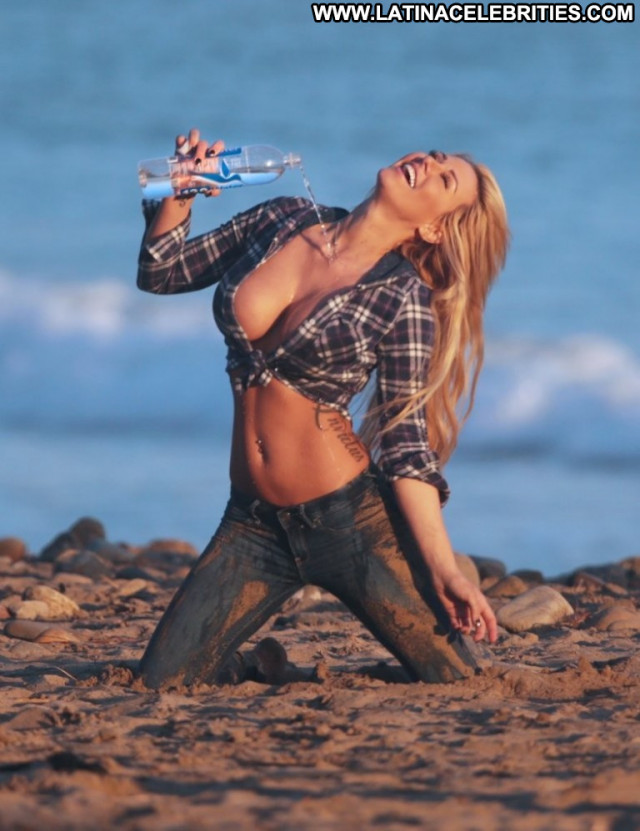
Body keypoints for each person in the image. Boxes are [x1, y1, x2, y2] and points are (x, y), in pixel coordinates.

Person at [136, 129, 509, 689]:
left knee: (455, 678)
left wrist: (444, 568)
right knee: (160, 682)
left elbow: (405, 445)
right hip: (253, 526)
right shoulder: (283, 218)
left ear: (434, 228)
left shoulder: (404, 300)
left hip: (350, 524)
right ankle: (262, 669)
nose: (427, 164)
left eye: (444, 176)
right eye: (432, 156)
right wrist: (181, 189)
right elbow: (162, 273)